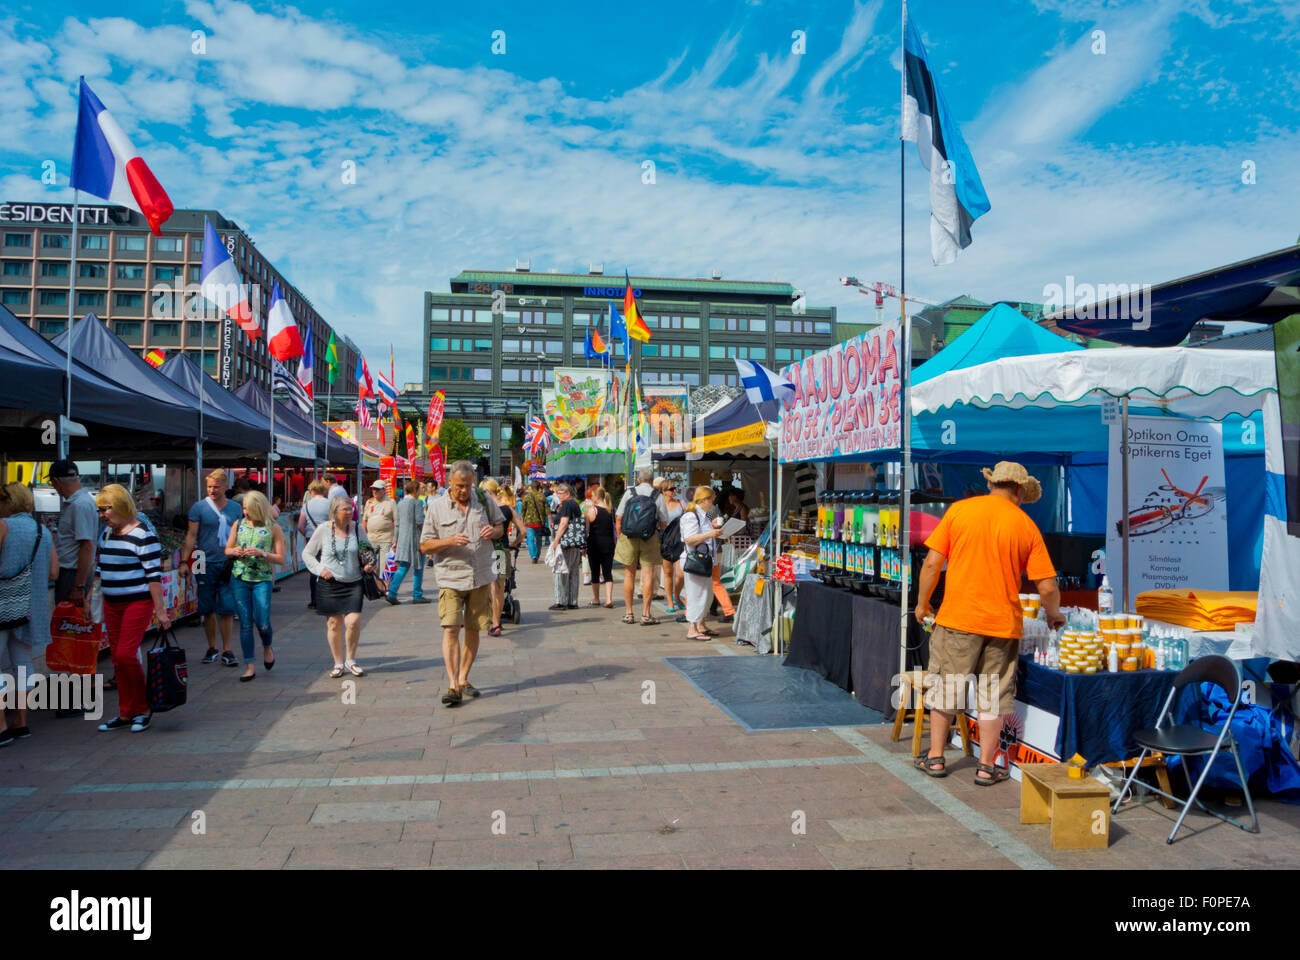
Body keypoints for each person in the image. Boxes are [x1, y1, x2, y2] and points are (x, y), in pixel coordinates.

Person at [913, 461, 1064, 785]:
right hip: (1002, 625)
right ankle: (985, 766)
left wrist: (923, 603)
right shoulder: (1026, 526)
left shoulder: (959, 511)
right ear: (1020, 491)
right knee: (993, 695)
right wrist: (1053, 615)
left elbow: (932, 563)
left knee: (947, 689)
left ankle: (936, 758)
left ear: (991, 484)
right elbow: (1048, 586)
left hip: (958, 619)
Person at [420, 460, 503, 707]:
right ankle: (453, 684)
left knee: (474, 629)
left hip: (479, 576)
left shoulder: (484, 501)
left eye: (467, 486)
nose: (463, 491)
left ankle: (464, 677)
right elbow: (424, 545)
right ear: (449, 483)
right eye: (458, 486)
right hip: (450, 577)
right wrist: (447, 541)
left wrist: (494, 532)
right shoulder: (436, 508)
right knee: (451, 628)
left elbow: (500, 527)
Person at [92, 484, 168, 733]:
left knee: (125, 655)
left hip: (137, 601)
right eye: (99, 510)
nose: (101, 514)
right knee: (117, 659)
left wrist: (160, 610)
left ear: (120, 506)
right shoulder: (106, 533)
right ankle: (126, 711)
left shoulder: (144, 534)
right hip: (112, 603)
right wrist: (91, 596)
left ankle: (143, 707)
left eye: (105, 509)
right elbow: (101, 568)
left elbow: (154, 576)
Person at [0, 483, 57, 745]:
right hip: (29, 609)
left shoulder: (3, 526)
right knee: (23, 663)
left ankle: (1, 725)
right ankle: (21, 721)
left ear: (9, 502)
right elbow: (54, 573)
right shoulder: (42, 531)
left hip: (2, 607)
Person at [302, 495, 374, 679]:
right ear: (335, 512)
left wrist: (369, 563)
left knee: (353, 621)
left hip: (354, 582)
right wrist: (320, 569)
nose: (350, 512)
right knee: (333, 624)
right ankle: (338, 662)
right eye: (345, 509)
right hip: (330, 584)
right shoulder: (323, 530)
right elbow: (307, 554)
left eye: (351, 509)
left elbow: (368, 550)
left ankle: (351, 659)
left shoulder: (357, 528)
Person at [180, 469, 243, 667]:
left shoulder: (235, 508)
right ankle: (211, 646)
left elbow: (241, 533)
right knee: (206, 607)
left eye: (216, 487)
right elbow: (191, 535)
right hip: (201, 559)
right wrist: (184, 561)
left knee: (226, 607)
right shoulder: (199, 508)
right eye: (209, 487)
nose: (212, 490)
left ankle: (227, 648)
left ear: (225, 487)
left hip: (227, 561)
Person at [224, 490, 284, 682]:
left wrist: (261, 553)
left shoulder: (273, 528)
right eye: (243, 508)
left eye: (248, 509)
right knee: (245, 623)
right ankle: (249, 665)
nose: (245, 512)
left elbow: (281, 558)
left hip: (262, 580)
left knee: (263, 622)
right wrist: (234, 551)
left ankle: (267, 647)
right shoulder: (238, 524)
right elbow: (227, 549)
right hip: (239, 578)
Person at [614, 467, 670, 626]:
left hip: (628, 537)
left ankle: (629, 613)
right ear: (652, 481)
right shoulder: (657, 495)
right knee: (647, 574)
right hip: (649, 537)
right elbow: (664, 521)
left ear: (638, 479)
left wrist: (620, 537)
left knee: (629, 574)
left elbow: (619, 517)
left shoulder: (629, 493)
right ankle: (646, 614)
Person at [46, 461, 97, 607]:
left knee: (70, 624)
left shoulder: (79, 505)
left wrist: (78, 586)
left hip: (73, 575)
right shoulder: (78, 502)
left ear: (56, 481)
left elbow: (87, 546)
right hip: (71, 574)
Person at [679, 486, 724, 641]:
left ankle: (701, 625)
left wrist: (713, 528)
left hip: (705, 559)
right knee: (695, 594)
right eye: (711, 500)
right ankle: (692, 628)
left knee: (706, 595)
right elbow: (689, 539)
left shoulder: (703, 516)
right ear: (704, 500)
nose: (712, 503)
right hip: (694, 559)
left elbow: (702, 534)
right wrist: (710, 533)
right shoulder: (691, 516)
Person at [486, 481, 525, 635]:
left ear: (489, 492)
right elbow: (523, 531)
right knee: (500, 589)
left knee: (491, 588)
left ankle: (493, 621)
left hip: (487, 552)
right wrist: (513, 544)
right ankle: (497, 623)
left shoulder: (485, 509)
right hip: (502, 550)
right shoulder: (508, 509)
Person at [386, 480, 429, 606]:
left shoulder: (400, 503)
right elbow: (420, 521)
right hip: (415, 538)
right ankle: (417, 595)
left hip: (403, 539)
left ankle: (392, 592)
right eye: (421, 488)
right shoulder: (417, 503)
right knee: (418, 566)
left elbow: (397, 524)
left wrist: (396, 539)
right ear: (415, 490)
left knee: (403, 566)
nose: (423, 490)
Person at [548, 483, 585, 612]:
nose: (558, 495)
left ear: (567, 493)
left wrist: (556, 541)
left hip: (565, 543)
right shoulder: (575, 504)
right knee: (573, 571)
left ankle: (560, 601)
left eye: (560, 492)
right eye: (557, 493)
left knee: (560, 571)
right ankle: (572, 601)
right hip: (574, 543)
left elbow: (563, 523)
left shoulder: (567, 505)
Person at [297, 479, 331, 609]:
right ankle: (327, 597)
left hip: (312, 538)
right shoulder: (330, 504)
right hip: (328, 537)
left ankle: (314, 600)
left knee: (314, 569)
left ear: (311, 491)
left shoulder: (306, 506)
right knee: (329, 566)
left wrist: (307, 534)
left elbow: (300, 525)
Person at [584, 485, 616, 608]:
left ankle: (597, 598)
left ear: (596, 496)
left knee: (595, 572)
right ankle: (609, 599)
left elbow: (587, 530)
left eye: (592, 495)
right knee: (608, 572)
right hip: (608, 544)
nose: (591, 497)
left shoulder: (592, 510)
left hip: (594, 544)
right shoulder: (611, 509)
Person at [659, 480, 686, 614]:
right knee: (668, 573)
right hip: (665, 543)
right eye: (671, 489)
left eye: (675, 489)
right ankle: (671, 602)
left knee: (681, 573)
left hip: (679, 542)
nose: (674, 491)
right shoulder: (658, 506)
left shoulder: (681, 504)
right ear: (663, 491)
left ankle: (677, 596)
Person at [363, 480, 395, 563]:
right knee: (371, 567)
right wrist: (364, 536)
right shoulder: (369, 502)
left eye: (377, 489)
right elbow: (364, 520)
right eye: (373, 489)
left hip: (386, 539)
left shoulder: (391, 502)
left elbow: (396, 521)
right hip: (371, 539)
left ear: (384, 490)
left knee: (384, 568)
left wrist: (395, 538)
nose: (375, 491)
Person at [519, 481, 548, 564]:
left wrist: (522, 520)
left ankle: (533, 556)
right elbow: (547, 510)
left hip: (529, 522)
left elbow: (523, 510)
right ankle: (537, 555)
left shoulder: (527, 497)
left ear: (531, 488)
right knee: (539, 539)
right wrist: (551, 521)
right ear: (539, 487)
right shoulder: (542, 496)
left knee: (530, 539)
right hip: (539, 522)